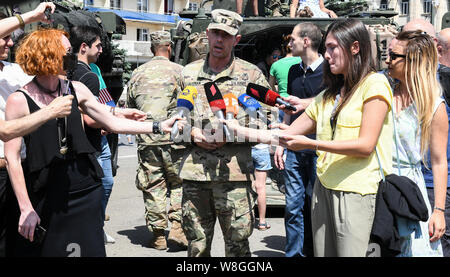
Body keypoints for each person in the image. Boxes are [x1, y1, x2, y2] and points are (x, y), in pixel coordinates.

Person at [4, 28, 183, 257]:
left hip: (85, 189)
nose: (72, 57)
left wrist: (158, 126)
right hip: (47, 193)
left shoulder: (74, 88)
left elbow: (112, 122)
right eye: (67, 52)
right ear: (48, 54)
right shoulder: (19, 100)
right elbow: (13, 158)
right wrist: (25, 207)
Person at [224, 18, 394, 257]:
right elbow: (287, 133)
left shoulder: (374, 84)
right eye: (327, 48)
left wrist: (311, 143)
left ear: (355, 47)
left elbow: (365, 146)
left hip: (356, 193)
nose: (328, 54)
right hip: (324, 189)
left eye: (333, 47)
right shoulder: (329, 94)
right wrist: (238, 130)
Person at [177, 9, 268, 257]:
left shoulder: (251, 76)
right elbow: (169, 121)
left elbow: (264, 121)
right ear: (207, 34)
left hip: (235, 179)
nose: (219, 40)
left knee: (238, 248)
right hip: (195, 177)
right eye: (215, 33)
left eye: (226, 35)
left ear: (236, 40)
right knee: (197, 248)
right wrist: (193, 134)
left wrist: (230, 134)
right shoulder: (187, 74)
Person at [385, 30, 447, 257]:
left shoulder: (433, 105)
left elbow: (439, 162)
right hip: (375, 184)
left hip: (409, 191)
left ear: (414, 62)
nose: (387, 60)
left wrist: (438, 211)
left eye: (393, 56)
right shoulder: (383, 92)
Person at [127, 30, 188, 251]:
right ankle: (178, 228)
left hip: (147, 138)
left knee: (153, 185)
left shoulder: (137, 73)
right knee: (179, 183)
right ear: (169, 47)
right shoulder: (181, 72)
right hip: (176, 138)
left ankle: (158, 235)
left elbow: (127, 106)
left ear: (152, 48)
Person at [274, 22, 324, 257]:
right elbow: (289, 109)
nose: (289, 42)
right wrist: (281, 143)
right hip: (293, 147)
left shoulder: (330, 72)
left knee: (315, 205)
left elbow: (334, 102)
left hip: (319, 148)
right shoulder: (294, 70)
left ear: (306, 41)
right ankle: (293, 254)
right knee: (293, 207)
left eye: (292, 38)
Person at [404, 20, 450, 257]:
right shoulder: (395, 83)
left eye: (412, 38)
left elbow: (440, 157)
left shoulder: (442, 83)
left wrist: (439, 208)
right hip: (406, 181)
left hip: (434, 183)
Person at [69, 25, 115, 244]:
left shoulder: (90, 71)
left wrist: (110, 112)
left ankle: (96, 225)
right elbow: (89, 116)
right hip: (92, 141)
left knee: (104, 183)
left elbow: (104, 98)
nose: (101, 50)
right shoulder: (85, 75)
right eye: (98, 46)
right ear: (84, 47)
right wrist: (110, 120)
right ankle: (93, 228)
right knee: (101, 183)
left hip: (94, 139)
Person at [269, 34, 302, 98]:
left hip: (282, 102)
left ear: (283, 49)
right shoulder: (303, 61)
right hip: (300, 101)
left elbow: (270, 87)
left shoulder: (275, 65)